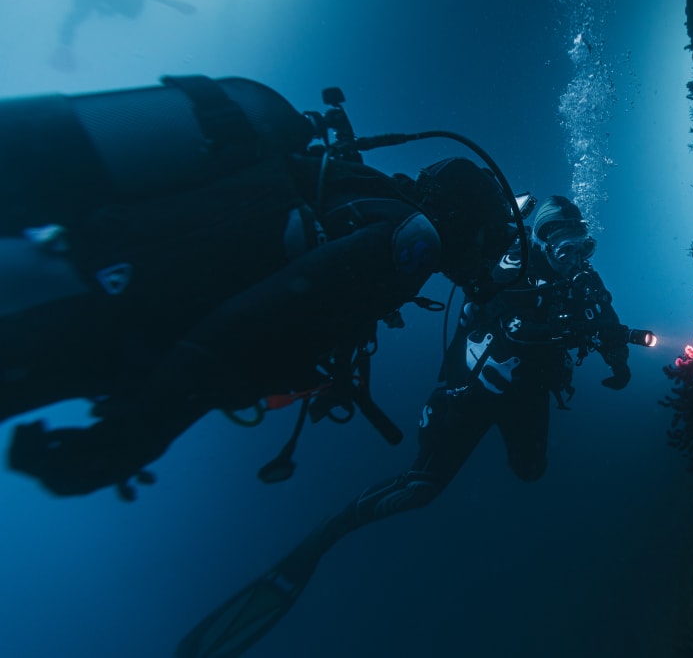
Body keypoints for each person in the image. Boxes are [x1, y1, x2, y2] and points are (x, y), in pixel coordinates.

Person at [0, 74, 522, 500]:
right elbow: (244, 326)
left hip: (94, 277)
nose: (484, 260)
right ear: (461, 216)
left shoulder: (351, 192)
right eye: (490, 239)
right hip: (96, 310)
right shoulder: (413, 241)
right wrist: (133, 438)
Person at [175, 195, 639, 658]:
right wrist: (579, 333)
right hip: (469, 393)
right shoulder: (511, 263)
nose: (574, 255)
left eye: (582, 245)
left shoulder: (584, 281)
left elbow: (605, 318)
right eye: (562, 242)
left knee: (530, 469)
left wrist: (617, 357)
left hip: (526, 394)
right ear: (540, 236)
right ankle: (328, 533)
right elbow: (515, 325)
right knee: (421, 488)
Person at [50, 0, 197, 71]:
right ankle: (168, 2)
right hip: (119, 2)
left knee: (76, 16)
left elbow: (83, 7)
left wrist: (103, 9)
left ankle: (64, 46)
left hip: (108, 1)